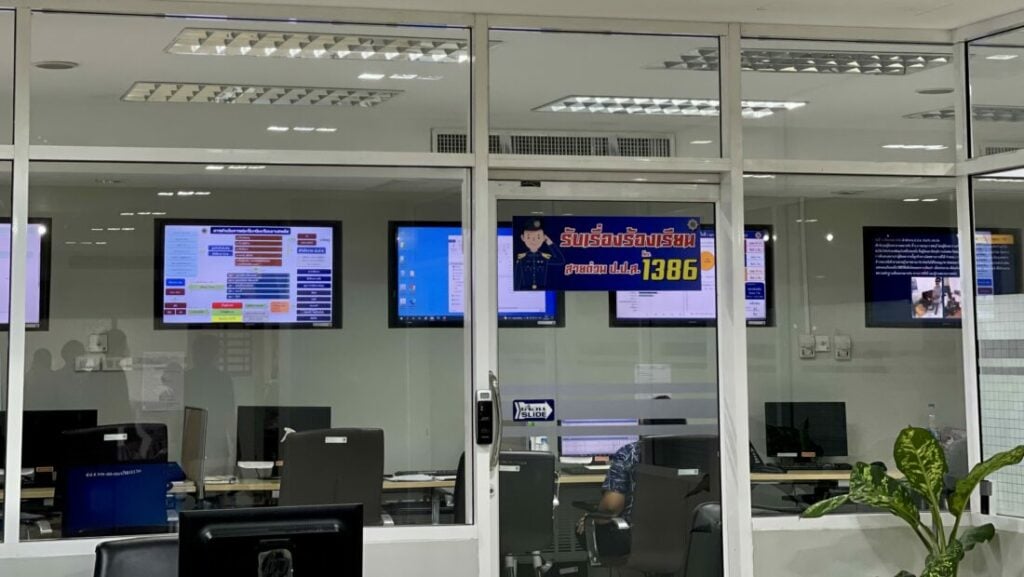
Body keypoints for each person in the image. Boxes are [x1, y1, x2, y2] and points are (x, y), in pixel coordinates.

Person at [514, 218, 563, 291]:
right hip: (526, 291)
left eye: (538, 237)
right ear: (523, 238)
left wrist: (549, 242)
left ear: (543, 238)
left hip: (542, 291)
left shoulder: (544, 257)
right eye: (529, 237)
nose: (533, 240)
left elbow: (560, 260)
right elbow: (517, 279)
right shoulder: (521, 258)